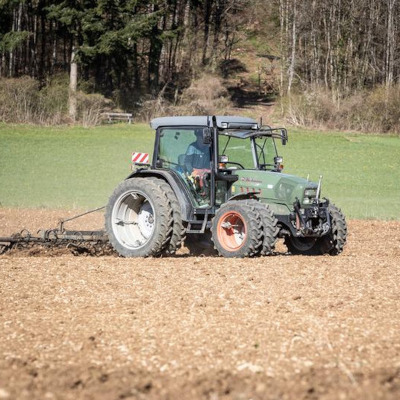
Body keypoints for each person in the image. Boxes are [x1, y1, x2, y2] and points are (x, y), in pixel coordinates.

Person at [184, 129, 211, 200]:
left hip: (205, 170)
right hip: (194, 170)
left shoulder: (208, 147)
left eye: (203, 138)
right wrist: (192, 171)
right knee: (198, 179)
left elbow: (210, 162)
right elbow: (187, 162)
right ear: (198, 138)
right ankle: (198, 196)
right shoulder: (192, 147)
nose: (202, 140)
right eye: (200, 138)